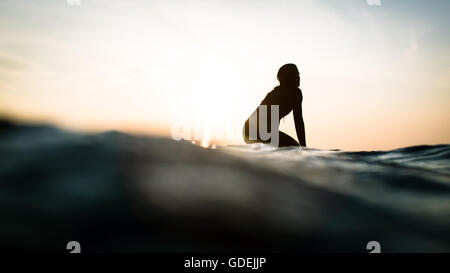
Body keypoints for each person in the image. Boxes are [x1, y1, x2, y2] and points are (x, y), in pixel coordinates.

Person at [243, 63, 306, 147]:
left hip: (258, 131)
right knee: (294, 147)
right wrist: (303, 147)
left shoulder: (296, 94)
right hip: (251, 131)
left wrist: (304, 147)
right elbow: (273, 124)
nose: (299, 78)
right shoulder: (276, 95)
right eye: (296, 75)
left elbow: (298, 121)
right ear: (289, 78)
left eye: (299, 75)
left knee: (293, 146)